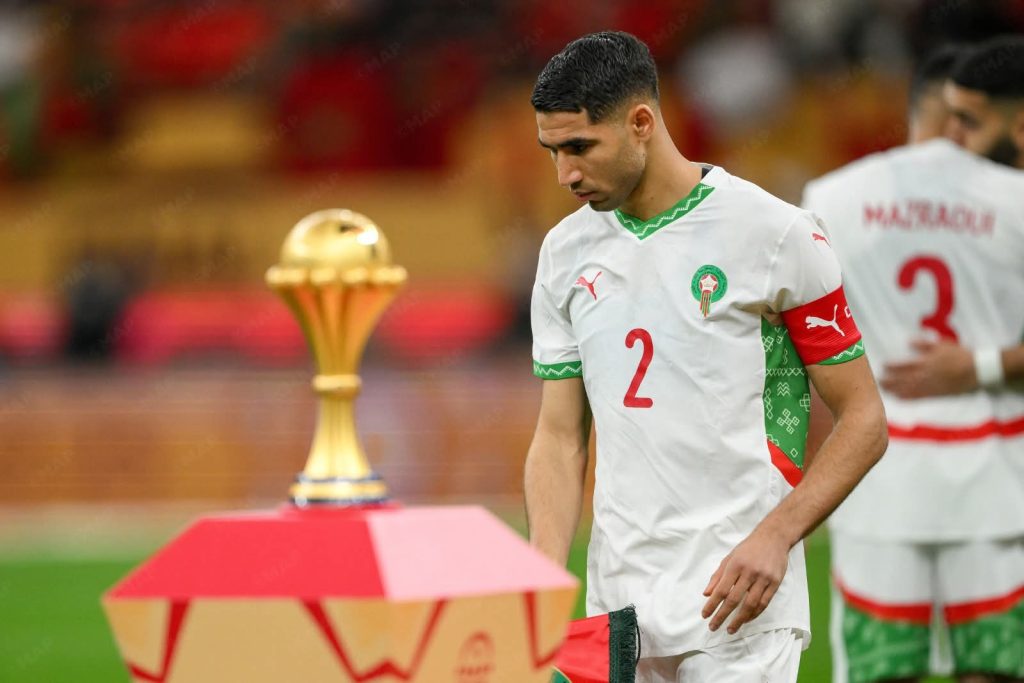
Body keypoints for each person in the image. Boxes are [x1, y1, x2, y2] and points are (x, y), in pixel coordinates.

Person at [524, 31, 888, 683]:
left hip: (741, 602)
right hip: (621, 609)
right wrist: (543, 585)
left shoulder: (775, 233)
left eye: (580, 147)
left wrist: (779, 534)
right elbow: (558, 436)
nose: (565, 175)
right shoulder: (563, 253)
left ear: (641, 123)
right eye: (553, 152)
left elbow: (864, 419)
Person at [803, 37, 1024, 683]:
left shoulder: (832, 195)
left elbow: (797, 333)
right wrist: (981, 366)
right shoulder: (1014, 197)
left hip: (876, 476)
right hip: (997, 480)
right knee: (994, 670)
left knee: (880, 671)